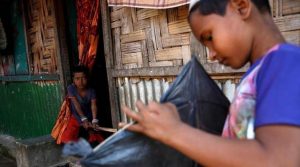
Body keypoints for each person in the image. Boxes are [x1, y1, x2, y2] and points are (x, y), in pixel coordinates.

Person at [121, 0, 300, 166]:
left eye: (209, 37)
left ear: (241, 7)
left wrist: (174, 131)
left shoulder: (285, 62)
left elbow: (278, 159)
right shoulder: (258, 73)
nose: (211, 54)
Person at [61, 65, 103, 145]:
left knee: (95, 137)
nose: (80, 82)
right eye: (77, 79)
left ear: (87, 78)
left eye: (83, 78)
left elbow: (93, 106)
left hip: (89, 115)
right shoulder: (71, 88)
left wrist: (94, 120)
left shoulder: (91, 90)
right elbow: (76, 104)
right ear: (73, 80)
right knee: (67, 138)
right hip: (76, 115)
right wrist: (83, 119)